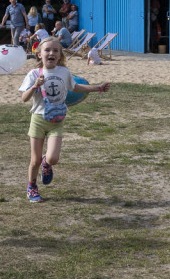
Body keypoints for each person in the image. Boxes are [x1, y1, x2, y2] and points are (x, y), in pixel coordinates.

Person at [18, 37, 111, 203]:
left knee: (53, 158)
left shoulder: (64, 72)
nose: (51, 53)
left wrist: (98, 88)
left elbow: (76, 87)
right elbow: (24, 98)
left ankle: (47, 164)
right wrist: (34, 86)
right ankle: (32, 186)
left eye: (55, 50)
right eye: (47, 50)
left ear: (60, 55)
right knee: (34, 160)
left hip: (57, 120)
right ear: (39, 55)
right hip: (38, 120)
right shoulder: (33, 74)